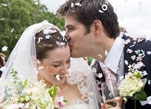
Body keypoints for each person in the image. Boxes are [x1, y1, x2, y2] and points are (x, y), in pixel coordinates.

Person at [57, 0, 151, 109]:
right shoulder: (94, 73)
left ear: (96, 27)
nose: (66, 36)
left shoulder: (147, 52)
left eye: (70, 28)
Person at [1, 21, 101, 109]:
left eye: (68, 61)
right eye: (56, 65)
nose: (66, 70)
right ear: (35, 61)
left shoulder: (83, 83)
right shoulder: (20, 94)